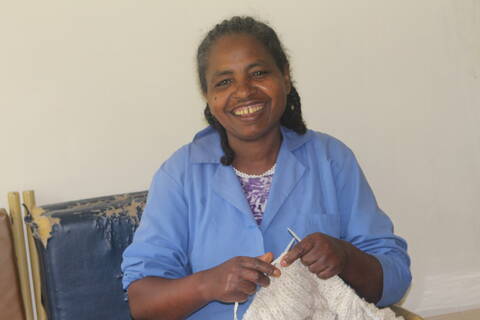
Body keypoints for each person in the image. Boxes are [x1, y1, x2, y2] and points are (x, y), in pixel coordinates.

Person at [121, 16, 411, 320]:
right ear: (208, 96)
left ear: (285, 78)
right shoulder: (180, 174)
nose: (244, 91)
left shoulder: (331, 159)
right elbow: (143, 303)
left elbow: (394, 280)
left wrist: (345, 258)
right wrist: (207, 284)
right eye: (224, 81)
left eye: (258, 73)